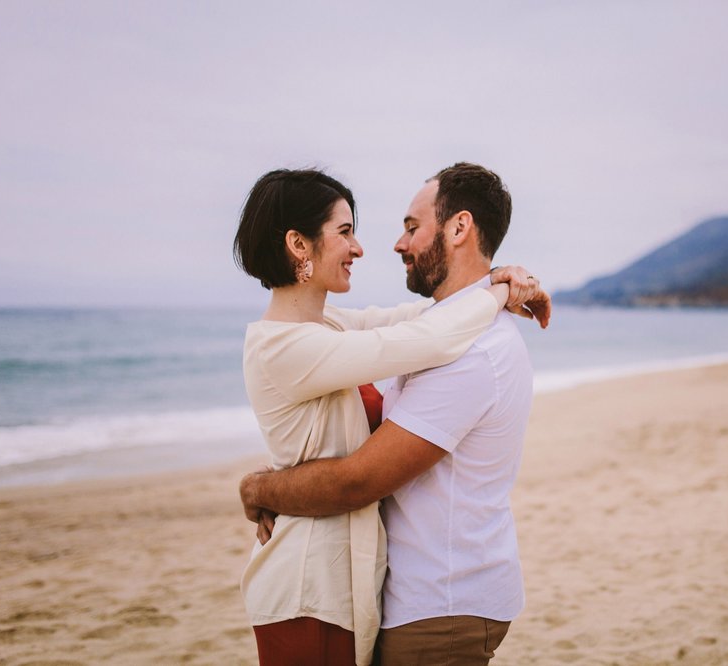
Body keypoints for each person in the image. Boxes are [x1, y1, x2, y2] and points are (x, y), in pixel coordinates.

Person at [232, 167, 549, 666]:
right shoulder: (285, 344)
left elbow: (416, 322)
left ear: (459, 228)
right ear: (299, 244)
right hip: (309, 584)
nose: (363, 248)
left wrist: (493, 283)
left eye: (409, 226)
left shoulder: (330, 324)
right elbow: (422, 338)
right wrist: (498, 291)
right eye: (345, 232)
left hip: (356, 586)